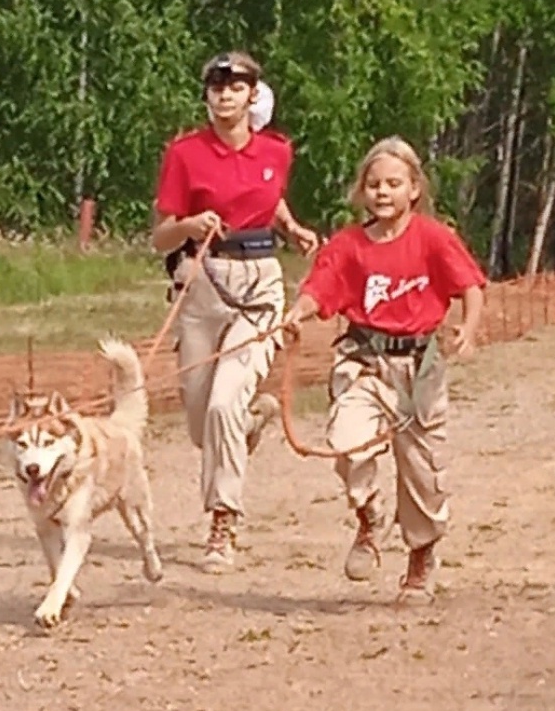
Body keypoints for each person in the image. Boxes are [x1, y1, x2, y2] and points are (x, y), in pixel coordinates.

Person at [283, 135, 486, 599]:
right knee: (348, 443)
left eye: (394, 183)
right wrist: (299, 311)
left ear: (414, 189)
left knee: (422, 472)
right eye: (374, 184)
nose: (383, 192)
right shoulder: (349, 244)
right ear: (362, 191)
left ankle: (420, 557)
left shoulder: (435, 238)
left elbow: (471, 286)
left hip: (419, 368)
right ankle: (368, 516)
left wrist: (468, 330)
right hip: (364, 362)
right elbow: (321, 287)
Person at [152, 50, 318, 573]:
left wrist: (290, 228)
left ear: (253, 94)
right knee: (204, 421)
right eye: (216, 85)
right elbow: (160, 236)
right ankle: (247, 426)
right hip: (202, 284)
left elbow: (270, 197)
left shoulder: (276, 150)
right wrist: (189, 226)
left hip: (259, 284)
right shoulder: (185, 154)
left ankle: (222, 521)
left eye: (236, 84)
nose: (225, 92)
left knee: (223, 401)